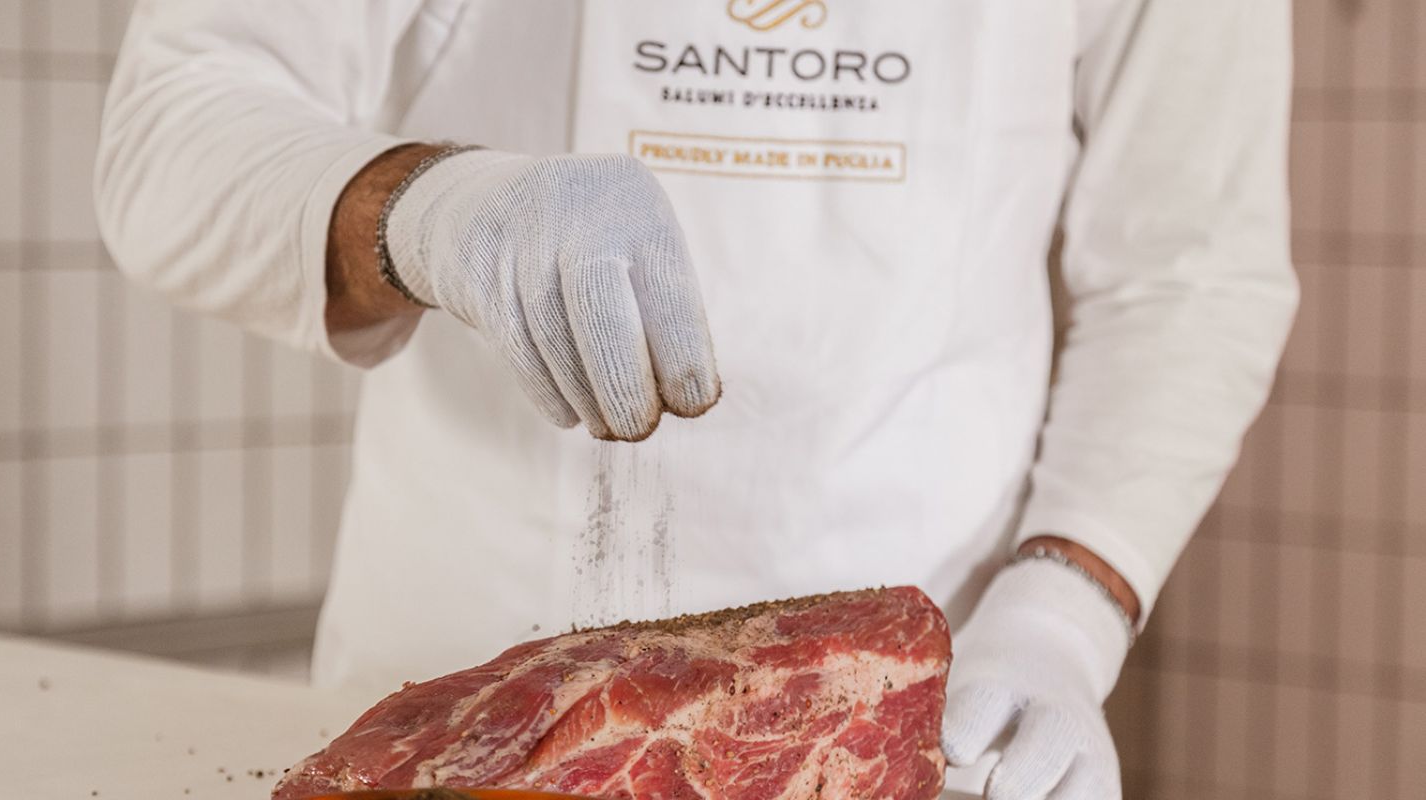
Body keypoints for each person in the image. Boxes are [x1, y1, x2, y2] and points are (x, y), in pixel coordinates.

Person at [94, 1, 1296, 796]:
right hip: (465, 713)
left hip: (900, 729)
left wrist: (1060, 617)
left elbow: (1194, 266)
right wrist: (428, 208)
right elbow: (172, 129)